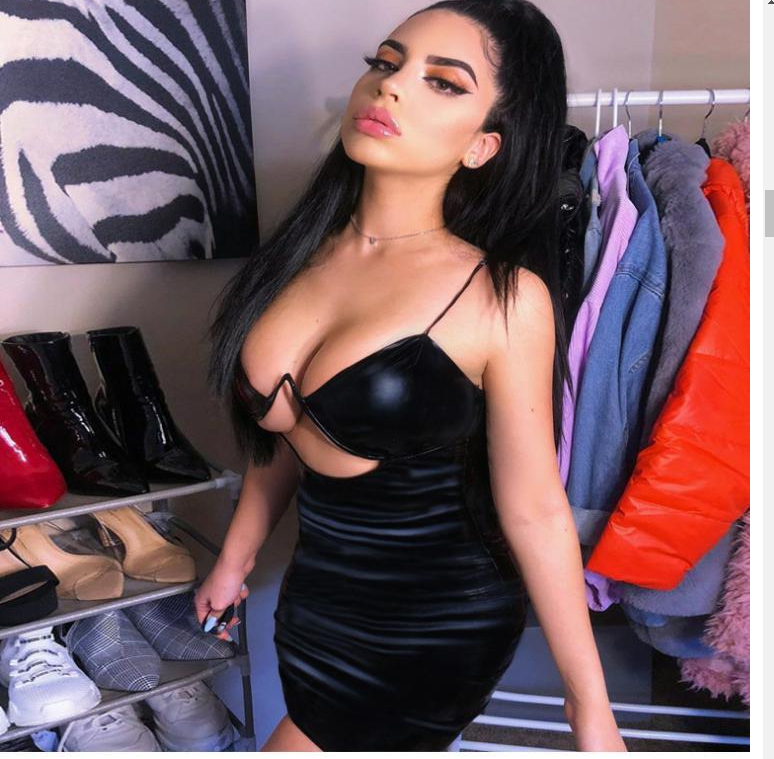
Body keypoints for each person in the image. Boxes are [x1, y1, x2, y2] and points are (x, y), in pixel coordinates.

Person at [197, 0, 626, 751]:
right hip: (315, 610)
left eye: (443, 82)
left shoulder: (501, 297)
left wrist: (589, 708)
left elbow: (534, 510)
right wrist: (234, 560)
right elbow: (284, 441)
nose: (389, 86)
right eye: (386, 63)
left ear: (483, 145)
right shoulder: (293, 259)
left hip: (432, 627)